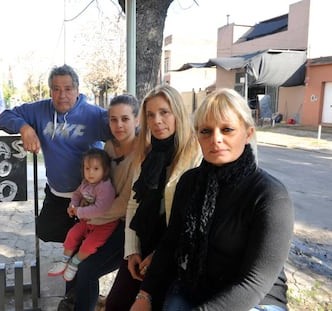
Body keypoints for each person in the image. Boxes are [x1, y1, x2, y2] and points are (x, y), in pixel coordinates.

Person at [131, 88, 294, 311]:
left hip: (256, 300)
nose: (216, 139)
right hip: (195, 288)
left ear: (248, 133)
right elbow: (170, 244)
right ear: (197, 135)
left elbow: (254, 283)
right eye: (206, 131)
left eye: (227, 129)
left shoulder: (270, 195)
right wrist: (144, 295)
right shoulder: (189, 183)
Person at [105, 85, 202, 310]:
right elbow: (134, 203)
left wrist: (160, 257)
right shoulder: (147, 154)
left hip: (177, 250)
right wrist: (132, 251)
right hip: (143, 243)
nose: (157, 120)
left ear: (177, 113)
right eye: (150, 115)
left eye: (164, 112)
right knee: (116, 303)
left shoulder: (195, 153)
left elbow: (194, 218)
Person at [0, 64, 111, 244]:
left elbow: (123, 131)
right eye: (56, 89)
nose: (62, 95)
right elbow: (4, 117)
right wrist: (24, 127)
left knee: (88, 242)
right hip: (57, 193)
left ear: (77, 90)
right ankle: (74, 255)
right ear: (50, 91)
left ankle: (79, 263)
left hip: (89, 195)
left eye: (68, 89)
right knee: (45, 232)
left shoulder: (95, 114)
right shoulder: (40, 110)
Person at [57, 94, 140, 311]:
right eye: (113, 119)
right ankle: (71, 304)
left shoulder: (143, 152)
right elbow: (99, 182)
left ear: (137, 120)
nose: (119, 125)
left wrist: (88, 214)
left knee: (88, 269)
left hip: (127, 225)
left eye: (125, 119)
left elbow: (126, 203)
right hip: (101, 216)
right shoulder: (110, 147)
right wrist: (81, 202)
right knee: (73, 257)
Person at [47, 148, 118, 282]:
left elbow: (101, 209)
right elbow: (77, 194)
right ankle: (64, 260)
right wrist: (73, 205)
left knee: (89, 245)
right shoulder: (86, 183)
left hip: (104, 224)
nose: (91, 173)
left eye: (96, 169)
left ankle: (74, 262)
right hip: (87, 220)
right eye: (87, 168)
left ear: (105, 170)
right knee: (72, 234)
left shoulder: (105, 187)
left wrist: (79, 211)